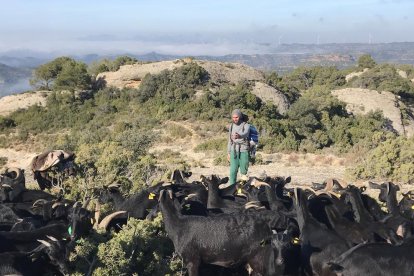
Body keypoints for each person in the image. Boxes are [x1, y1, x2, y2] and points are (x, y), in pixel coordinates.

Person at [226, 109, 250, 186]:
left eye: (236, 117)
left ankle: (243, 189)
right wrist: (228, 153)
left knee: (243, 172)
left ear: (240, 117)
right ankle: (231, 189)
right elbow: (230, 140)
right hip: (234, 150)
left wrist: (239, 135)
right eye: (233, 117)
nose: (235, 119)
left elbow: (245, 134)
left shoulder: (246, 125)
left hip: (244, 150)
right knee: (233, 171)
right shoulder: (231, 126)